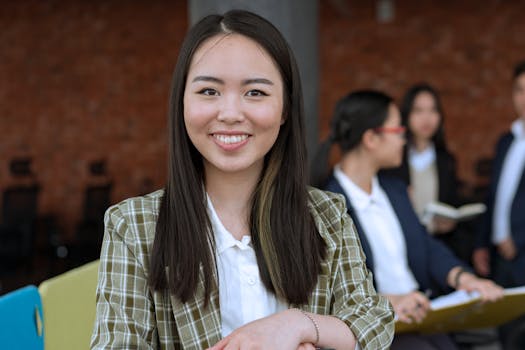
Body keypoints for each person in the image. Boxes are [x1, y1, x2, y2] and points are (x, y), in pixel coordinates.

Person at [90, 10, 394, 350]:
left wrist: (298, 326)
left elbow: (374, 318)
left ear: (284, 111)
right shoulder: (133, 225)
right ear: (181, 104)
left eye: (255, 93)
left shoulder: (327, 214)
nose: (231, 113)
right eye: (209, 91)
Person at [312, 90, 503, 350]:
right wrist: (388, 301)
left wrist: (464, 279)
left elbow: (425, 245)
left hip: (423, 316)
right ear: (371, 138)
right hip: (375, 328)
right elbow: (324, 289)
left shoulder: (395, 190)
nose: (404, 139)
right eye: (397, 130)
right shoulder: (323, 204)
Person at [380, 83, 475, 262]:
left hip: (437, 246)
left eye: (433, 110)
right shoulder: (393, 161)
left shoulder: (446, 161)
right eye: (418, 110)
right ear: (406, 115)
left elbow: (450, 203)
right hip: (400, 248)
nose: (427, 118)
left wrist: (449, 223)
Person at [473, 60, 525, 349]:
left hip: (522, 252)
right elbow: (495, 198)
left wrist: (517, 239)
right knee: (506, 335)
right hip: (501, 258)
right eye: (519, 90)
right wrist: (482, 243)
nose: (524, 98)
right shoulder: (506, 141)